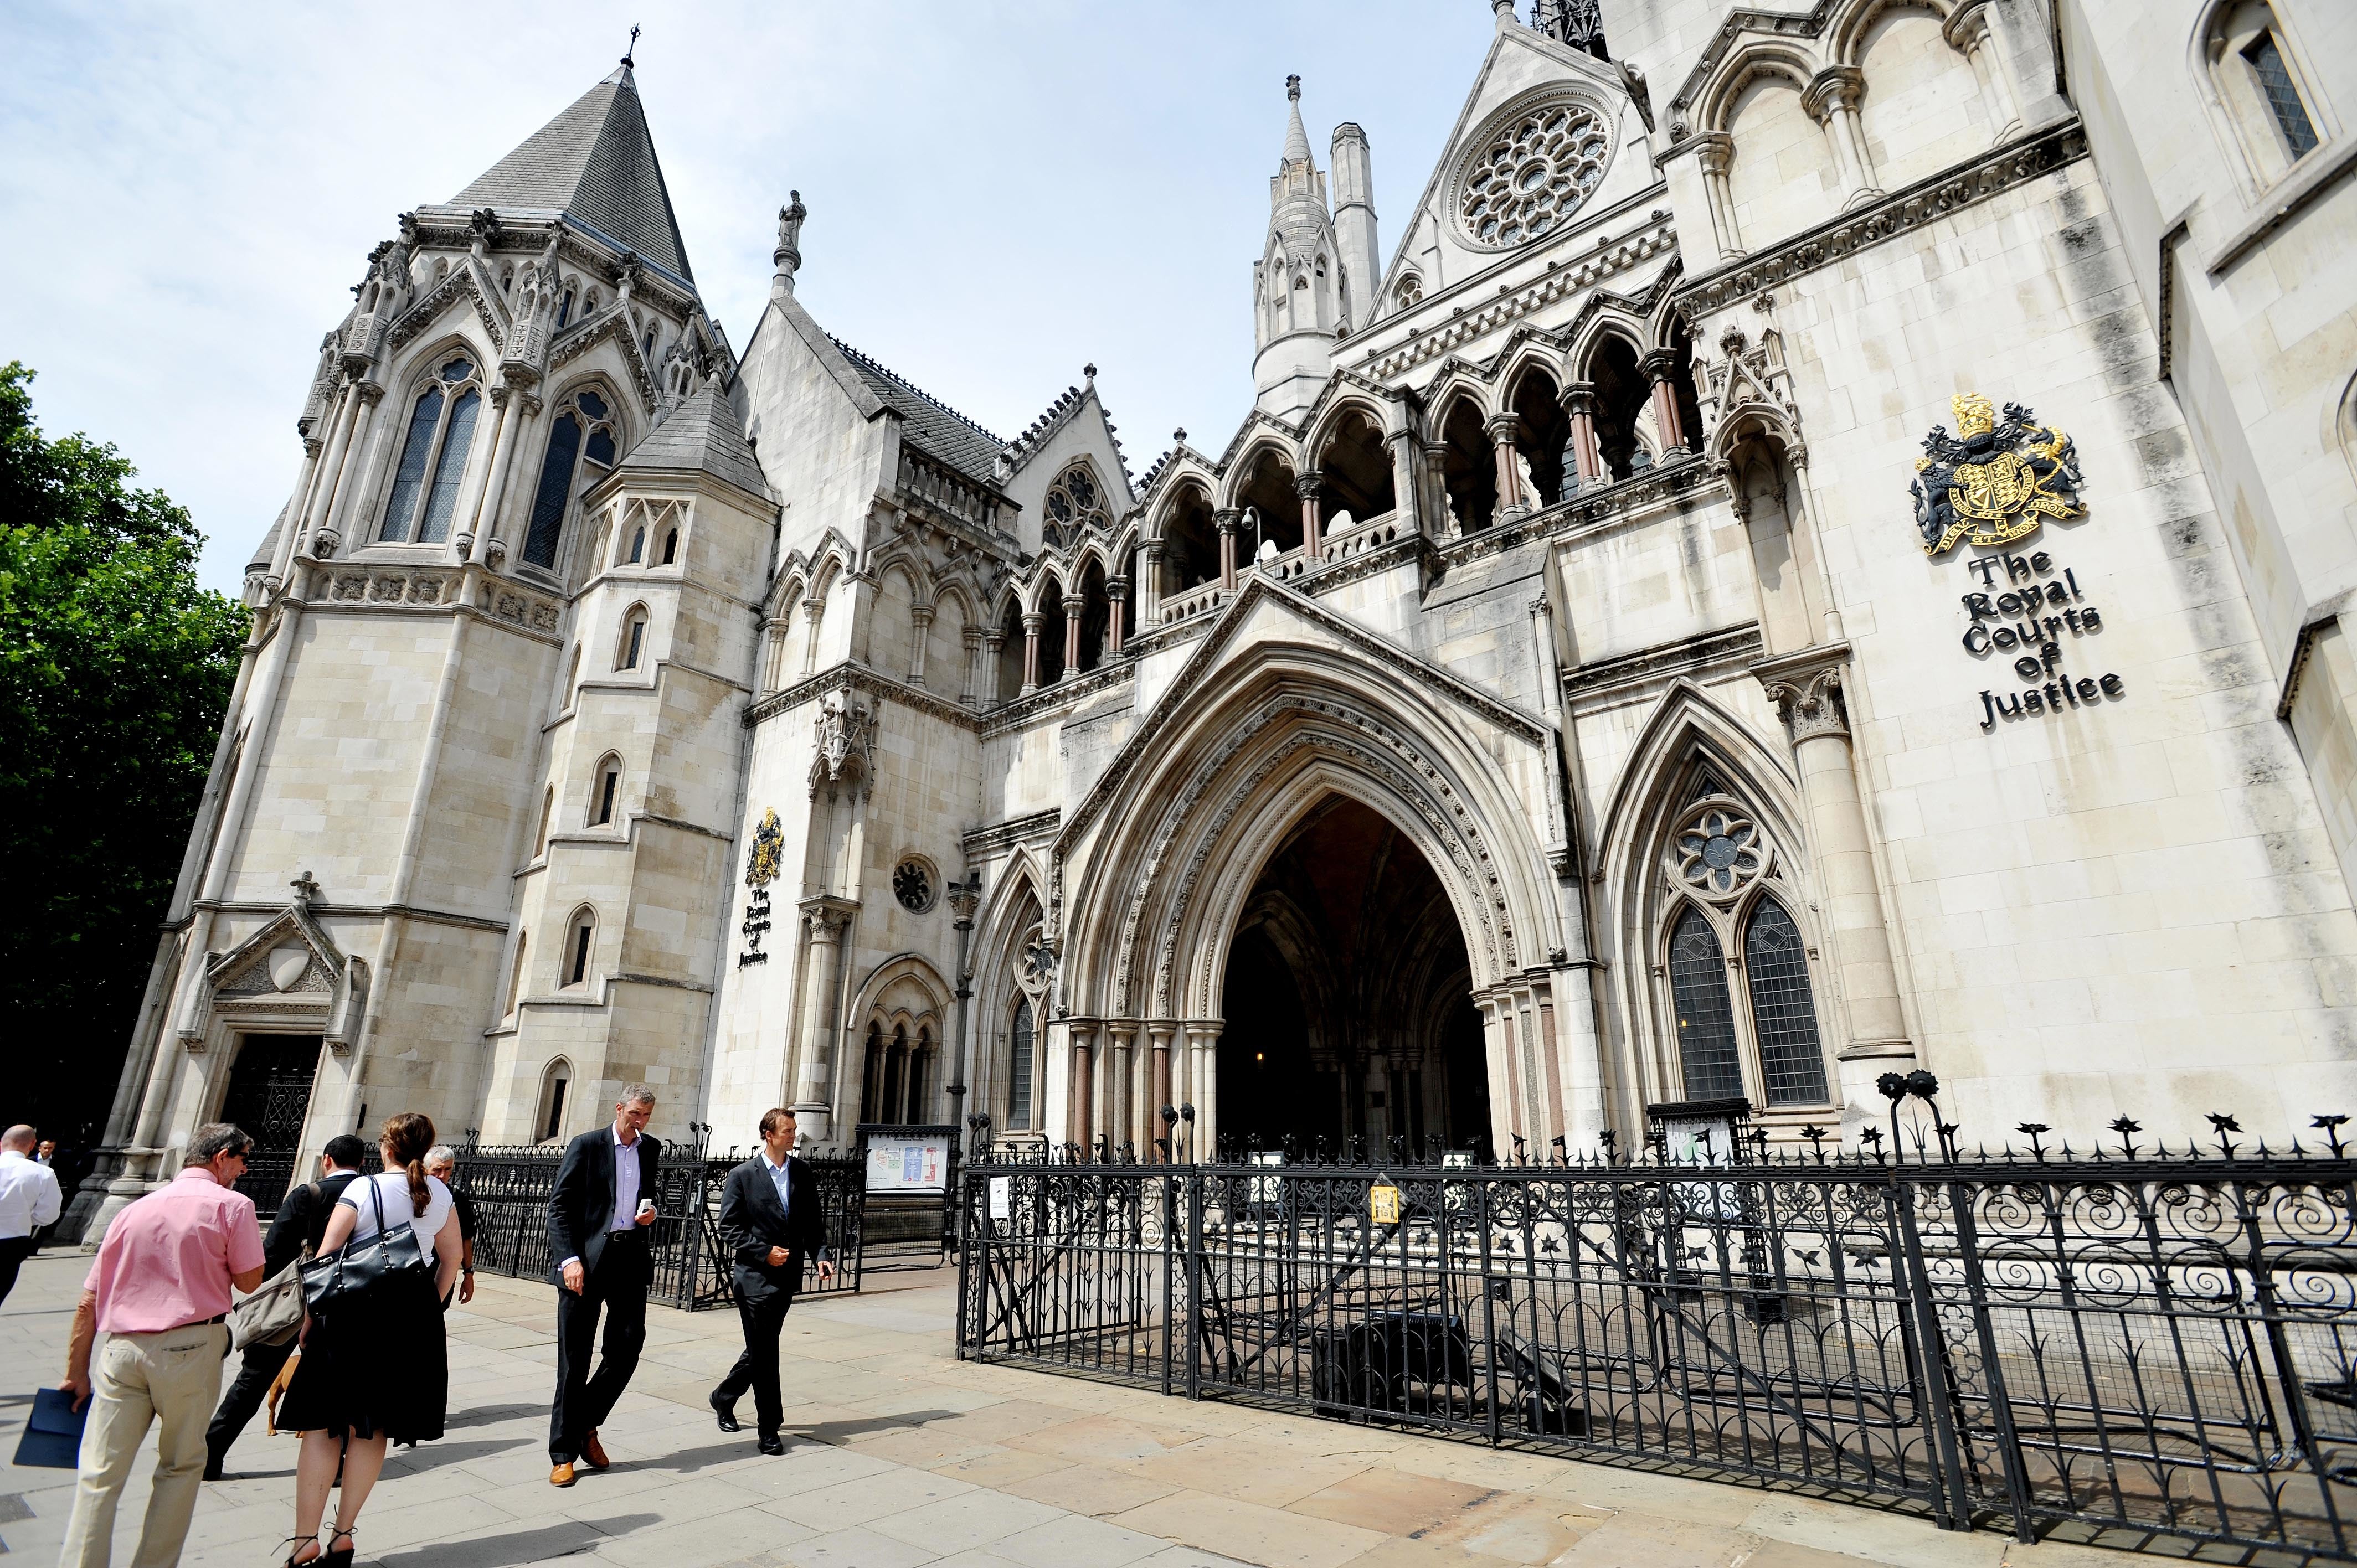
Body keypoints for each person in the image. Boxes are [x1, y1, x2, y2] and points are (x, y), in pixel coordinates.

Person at [56, 1123, 266, 1568]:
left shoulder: (134, 1209)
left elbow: (88, 1299)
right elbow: (249, 1282)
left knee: (100, 1474)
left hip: (122, 1350)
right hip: (189, 1346)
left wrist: (76, 1372)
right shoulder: (233, 1206)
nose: (243, 1170)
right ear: (222, 1156)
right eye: (242, 1160)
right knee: (180, 1465)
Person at [272, 1113, 460, 1567]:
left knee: (321, 1425)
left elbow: (327, 1256)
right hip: (409, 1320)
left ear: (386, 1147)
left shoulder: (364, 1188)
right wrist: (426, 1308)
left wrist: (310, 1319)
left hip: (351, 1317)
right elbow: (450, 1260)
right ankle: (343, 1535)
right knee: (372, 1428)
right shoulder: (440, 1192)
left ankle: (304, 1541)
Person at [204, 1133, 370, 1479]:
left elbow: (274, 1251)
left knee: (252, 1382)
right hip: (348, 1303)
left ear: (326, 1160)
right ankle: (336, 1465)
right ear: (363, 1164)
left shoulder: (309, 1194)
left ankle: (211, 1455)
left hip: (293, 1306)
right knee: (338, 1385)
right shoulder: (371, 1196)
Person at [544, 1086, 661, 1487]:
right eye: (634, 1113)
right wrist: (570, 1259)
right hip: (587, 1262)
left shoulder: (651, 1148)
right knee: (574, 1359)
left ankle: (585, 1423)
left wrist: (650, 1213)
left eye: (646, 1115)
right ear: (619, 1109)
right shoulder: (588, 1145)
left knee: (628, 1347)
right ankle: (563, 1454)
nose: (639, 1121)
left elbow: (646, 1194)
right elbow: (559, 1206)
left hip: (629, 1258)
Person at [711, 1108, 832, 1454]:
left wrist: (820, 1255)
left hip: (786, 1277)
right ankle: (769, 1429)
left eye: (794, 1130)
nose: (793, 1136)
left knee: (761, 1347)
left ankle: (724, 1396)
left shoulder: (801, 1172)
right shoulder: (742, 1176)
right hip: (753, 1279)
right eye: (787, 1131)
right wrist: (764, 1252)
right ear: (769, 1134)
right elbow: (729, 1228)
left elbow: (812, 1222)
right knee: (767, 1353)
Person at [0, 1123, 64, 1307]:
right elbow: (49, 1215)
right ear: (32, 1145)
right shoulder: (42, 1173)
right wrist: (23, 1217)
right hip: (11, 1243)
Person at [421, 1146, 476, 1308]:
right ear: (425, 1169)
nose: (443, 1175)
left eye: (448, 1170)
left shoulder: (457, 1198)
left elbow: (465, 1238)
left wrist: (468, 1274)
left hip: (441, 1269)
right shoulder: (412, 1193)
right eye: (437, 1170)